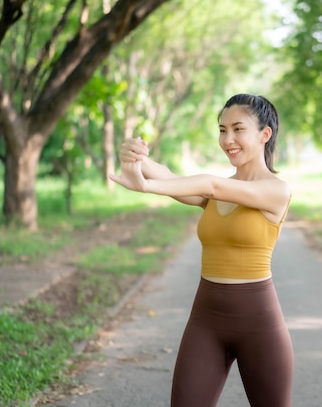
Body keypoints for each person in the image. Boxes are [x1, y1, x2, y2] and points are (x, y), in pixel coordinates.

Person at [109, 93, 294, 407]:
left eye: (238, 129)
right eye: (222, 130)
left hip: (259, 324)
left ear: (265, 134)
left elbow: (211, 185)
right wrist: (137, 158)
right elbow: (174, 178)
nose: (227, 139)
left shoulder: (275, 190)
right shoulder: (217, 190)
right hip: (205, 321)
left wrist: (145, 185)